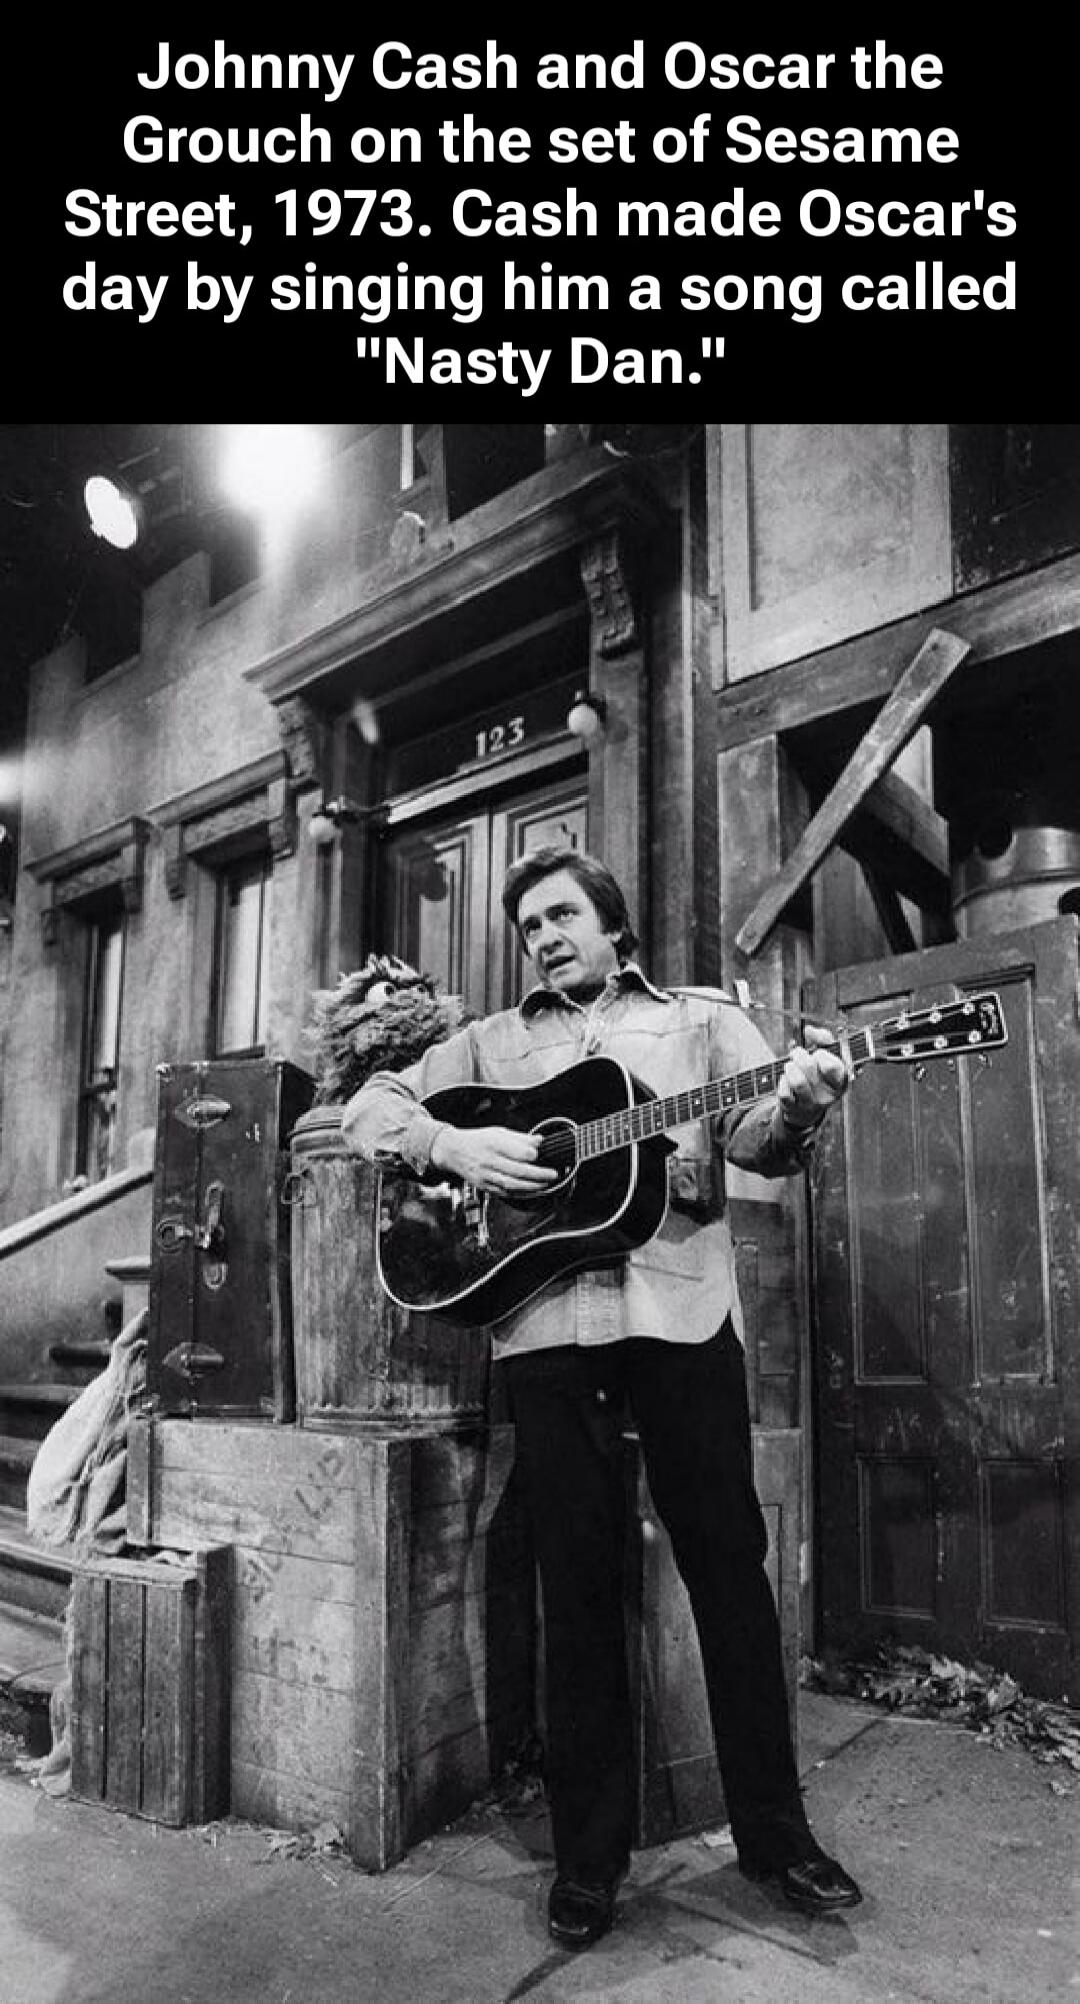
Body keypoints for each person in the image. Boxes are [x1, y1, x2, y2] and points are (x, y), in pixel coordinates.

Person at [343, 846, 862, 1950]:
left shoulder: (701, 1023)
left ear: (614, 926)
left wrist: (806, 1103)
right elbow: (367, 1112)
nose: (543, 935)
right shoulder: (489, 1043)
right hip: (544, 1332)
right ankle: (588, 1861)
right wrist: (453, 1142)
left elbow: (759, 1141)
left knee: (728, 1571)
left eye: (563, 914)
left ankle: (776, 1837)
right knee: (572, 1586)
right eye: (527, 924)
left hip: (680, 1315)